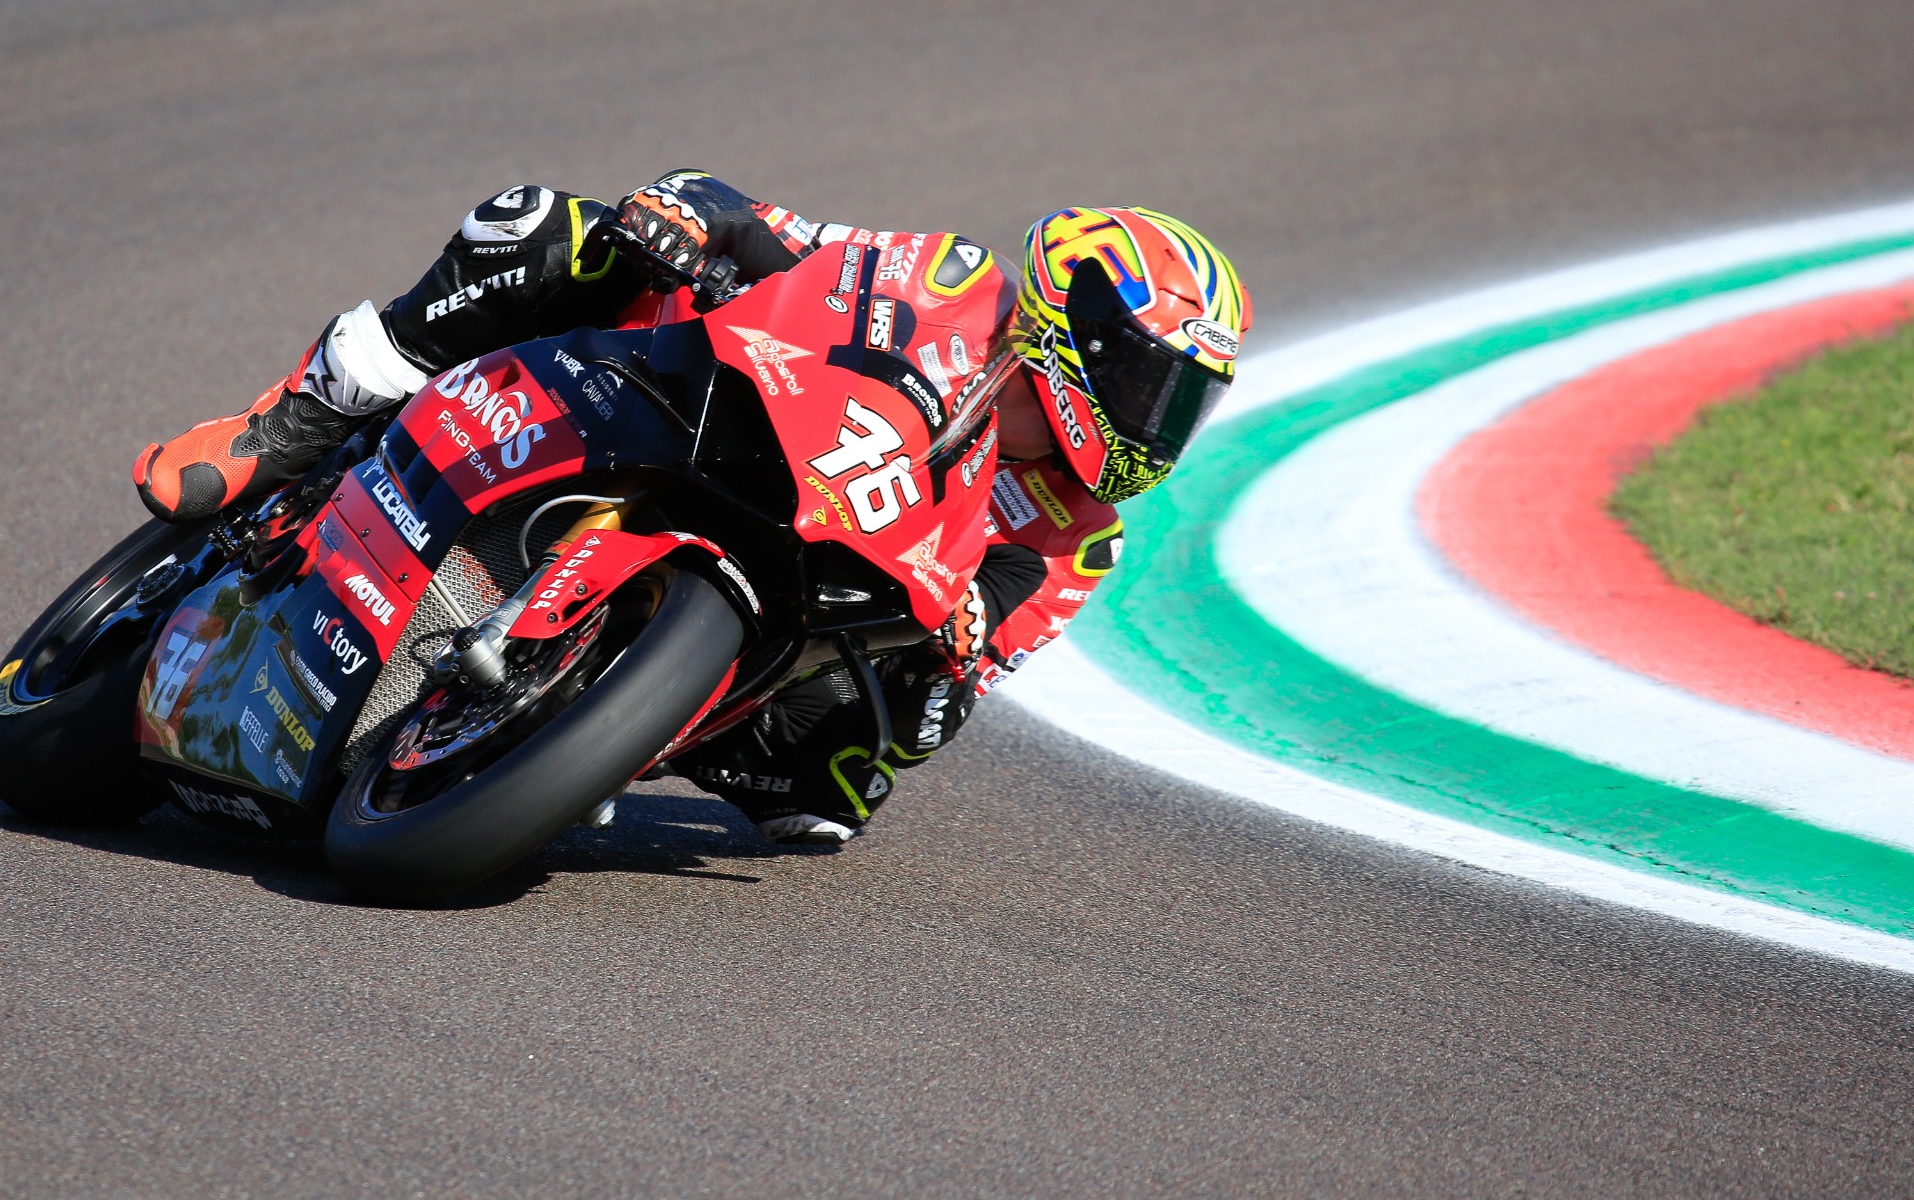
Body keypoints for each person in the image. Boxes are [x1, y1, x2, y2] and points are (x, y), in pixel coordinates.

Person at [132, 172, 1252, 841]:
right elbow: (766, 228)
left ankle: (578, 728)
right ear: (1075, 326)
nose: (1154, 422)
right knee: (548, 227)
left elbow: (967, 673)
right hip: (711, 407)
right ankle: (299, 419)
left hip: (821, 594)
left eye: (1182, 404)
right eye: (1148, 383)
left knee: (840, 785)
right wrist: (688, 216)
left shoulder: (1074, 534)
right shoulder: (953, 281)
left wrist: (949, 671)